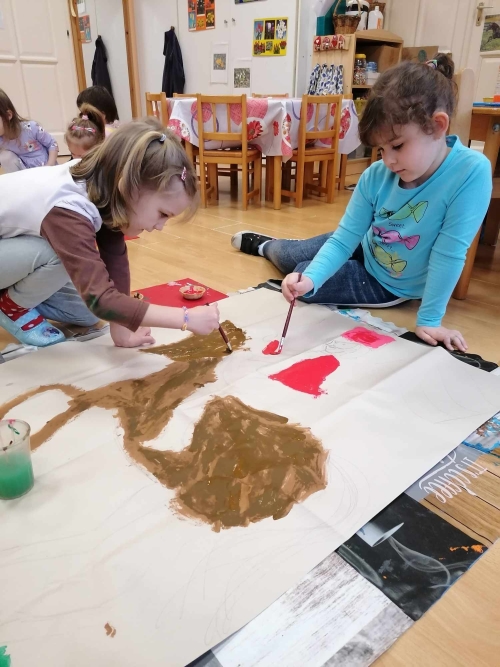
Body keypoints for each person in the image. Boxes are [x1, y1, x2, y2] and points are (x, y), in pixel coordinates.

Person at [231, 54, 492, 352]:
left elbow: (449, 254)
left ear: (438, 125)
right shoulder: (376, 174)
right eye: (381, 149)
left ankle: (287, 256)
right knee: (292, 259)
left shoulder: (470, 172)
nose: (388, 160)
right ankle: (266, 245)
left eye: (397, 146)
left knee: (302, 277)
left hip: (389, 282)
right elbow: (344, 239)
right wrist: (312, 277)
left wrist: (430, 319)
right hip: (366, 244)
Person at [0, 118, 220, 348]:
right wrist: (186, 318)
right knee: (62, 257)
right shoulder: (68, 208)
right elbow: (102, 300)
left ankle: (13, 294)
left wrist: (122, 331)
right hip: (13, 250)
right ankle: (11, 307)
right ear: (129, 188)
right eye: (162, 214)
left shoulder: (107, 185)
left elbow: (115, 262)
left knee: (88, 313)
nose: (160, 226)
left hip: (12, 252)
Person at [0, 89, 58, 172]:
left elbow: (52, 144)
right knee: (4, 156)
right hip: (25, 173)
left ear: (8, 115)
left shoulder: (31, 128)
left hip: (46, 168)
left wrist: (50, 165)